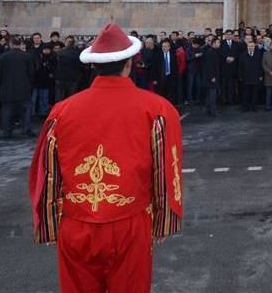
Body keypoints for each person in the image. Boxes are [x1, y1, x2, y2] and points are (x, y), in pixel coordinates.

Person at [28, 23, 183, 293]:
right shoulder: (157, 109)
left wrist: (50, 222)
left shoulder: (62, 111)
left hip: (76, 223)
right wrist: (163, 221)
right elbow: (165, 168)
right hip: (130, 223)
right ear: (129, 64)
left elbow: (49, 169)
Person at [0, 36, 35, 138]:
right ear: (20, 44)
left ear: (10, 44)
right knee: (26, 110)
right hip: (23, 88)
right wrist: (30, 84)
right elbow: (31, 73)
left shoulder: (3, 57)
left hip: (7, 88)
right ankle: (26, 129)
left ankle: (7, 132)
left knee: (7, 111)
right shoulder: (27, 56)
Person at [238, 38, 263, 112]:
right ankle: (245, 107)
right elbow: (240, 67)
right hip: (245, 77)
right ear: (247, 47)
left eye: (252, 46)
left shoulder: (258, 55)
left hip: (255, 77)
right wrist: (240, 76)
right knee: (245, 94)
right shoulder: (242, 55)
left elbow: (260, 66)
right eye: (249, 46)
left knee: (254, 93)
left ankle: (254, 107)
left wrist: (260, 75)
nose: (250, 47)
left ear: (254, 47)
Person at [54, 36, 82, 103]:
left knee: (59, 99)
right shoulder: (77, 53)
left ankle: (58, 112)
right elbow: (80, 66)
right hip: (70, 79)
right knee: (71, 99)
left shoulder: (60, 52)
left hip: (62, 79)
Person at [32, 43, 56, 117]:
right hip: (36, 81)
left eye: (48, 49)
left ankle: (43, 113)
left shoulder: (53, 57)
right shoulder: (38, 57)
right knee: (33, 99)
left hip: (46, 82)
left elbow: (54, 68)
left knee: (44, 99)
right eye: (45, 49)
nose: (46, 51)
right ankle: (32, 113)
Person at [202, 37, 221, 116]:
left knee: (209, 94)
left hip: (212, 76)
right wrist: (212, 76)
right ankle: (212, 111)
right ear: (213, 43)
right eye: (218, 43)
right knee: (212, 94)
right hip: (211, 77)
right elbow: (209, 66)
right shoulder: (210, 52)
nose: (219, 44)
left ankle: (207, 109)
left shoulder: (214, 51)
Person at [219, 30, 239, 105]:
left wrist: (234, 58)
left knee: (231, 85)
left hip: (233, 68)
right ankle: (223, 100)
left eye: (230, 34)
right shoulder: (221, 43)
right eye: (227, 34)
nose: (228, 36)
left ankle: (230, 100)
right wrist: (226, 58)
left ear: (232, 35)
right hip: (224, 67)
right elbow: (220, 53)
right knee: (224, 85)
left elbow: (237, 54)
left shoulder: (236, 44)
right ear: (225, 35)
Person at [157, 39, 178, 104]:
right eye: (162, 46)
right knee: (162, 92)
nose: (163, 48)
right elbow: (155, 68)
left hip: (171, 76)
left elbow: (175, 67)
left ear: (169, 47)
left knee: (170, 92)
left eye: (165, 46)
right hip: (161, 77)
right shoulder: (158, 55)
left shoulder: (173, 55)